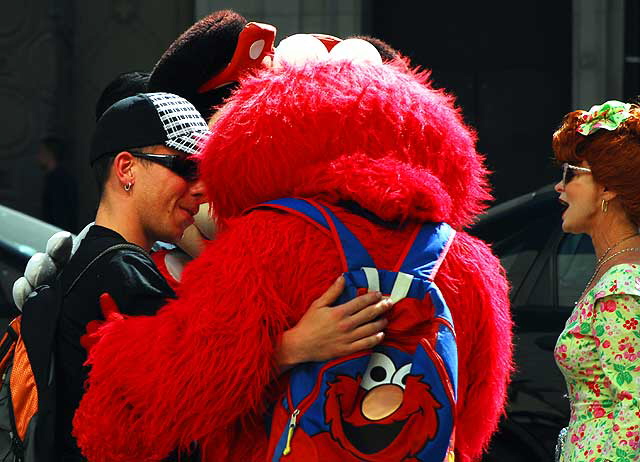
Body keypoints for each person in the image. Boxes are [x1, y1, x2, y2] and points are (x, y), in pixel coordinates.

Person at [74, 40, 512, 462]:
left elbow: (166, 397)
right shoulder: (472, 264)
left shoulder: (266, 240)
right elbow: (473, 421)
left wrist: (117, 351)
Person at [57, 91, 390, 461]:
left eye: (205, 173)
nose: (201, 190)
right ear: (126, 169)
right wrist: (296, 346)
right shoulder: (121, 273)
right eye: (185, 168)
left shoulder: (92, 257)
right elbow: (176, 396)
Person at [553, 100, 640, 461]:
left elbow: (634, 416)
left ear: (607, 188)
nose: (559, 187)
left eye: (570, 174)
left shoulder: (622, 286)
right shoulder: (615, 267)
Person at [37, 136, 78, 232]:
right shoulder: (59, 177)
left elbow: (59, 213)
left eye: (41, 152)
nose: (38, 157)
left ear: (49, 154)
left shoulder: (57, 179)